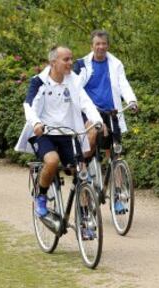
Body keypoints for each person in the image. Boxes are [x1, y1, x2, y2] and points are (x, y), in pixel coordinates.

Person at [15, 46, 103, 225]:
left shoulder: (74, 80)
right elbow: (29, 105)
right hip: (44, 132)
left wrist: (96, 120)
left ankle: (85, 218)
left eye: (71, 59)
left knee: (81, 173)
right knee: (53, 161)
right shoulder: (39, 81)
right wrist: (36, 123)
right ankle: (40, 196)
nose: (71, 63)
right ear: (53, 62)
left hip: (68, 134)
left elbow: (86, 103)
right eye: (66, 60)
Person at [73, 29, 138, 160]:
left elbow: (123, 84)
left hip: (111, 112)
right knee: (90, 140)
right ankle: (81, 166)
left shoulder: (116, 64)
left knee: (115, 148)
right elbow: (74, 87)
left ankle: (117, 177)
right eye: (97, 44)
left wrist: (131, 100)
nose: (101, 47)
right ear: (91, 46)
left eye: (103, 44)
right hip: (90, 112)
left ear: (108, 46)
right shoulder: (82, 64)